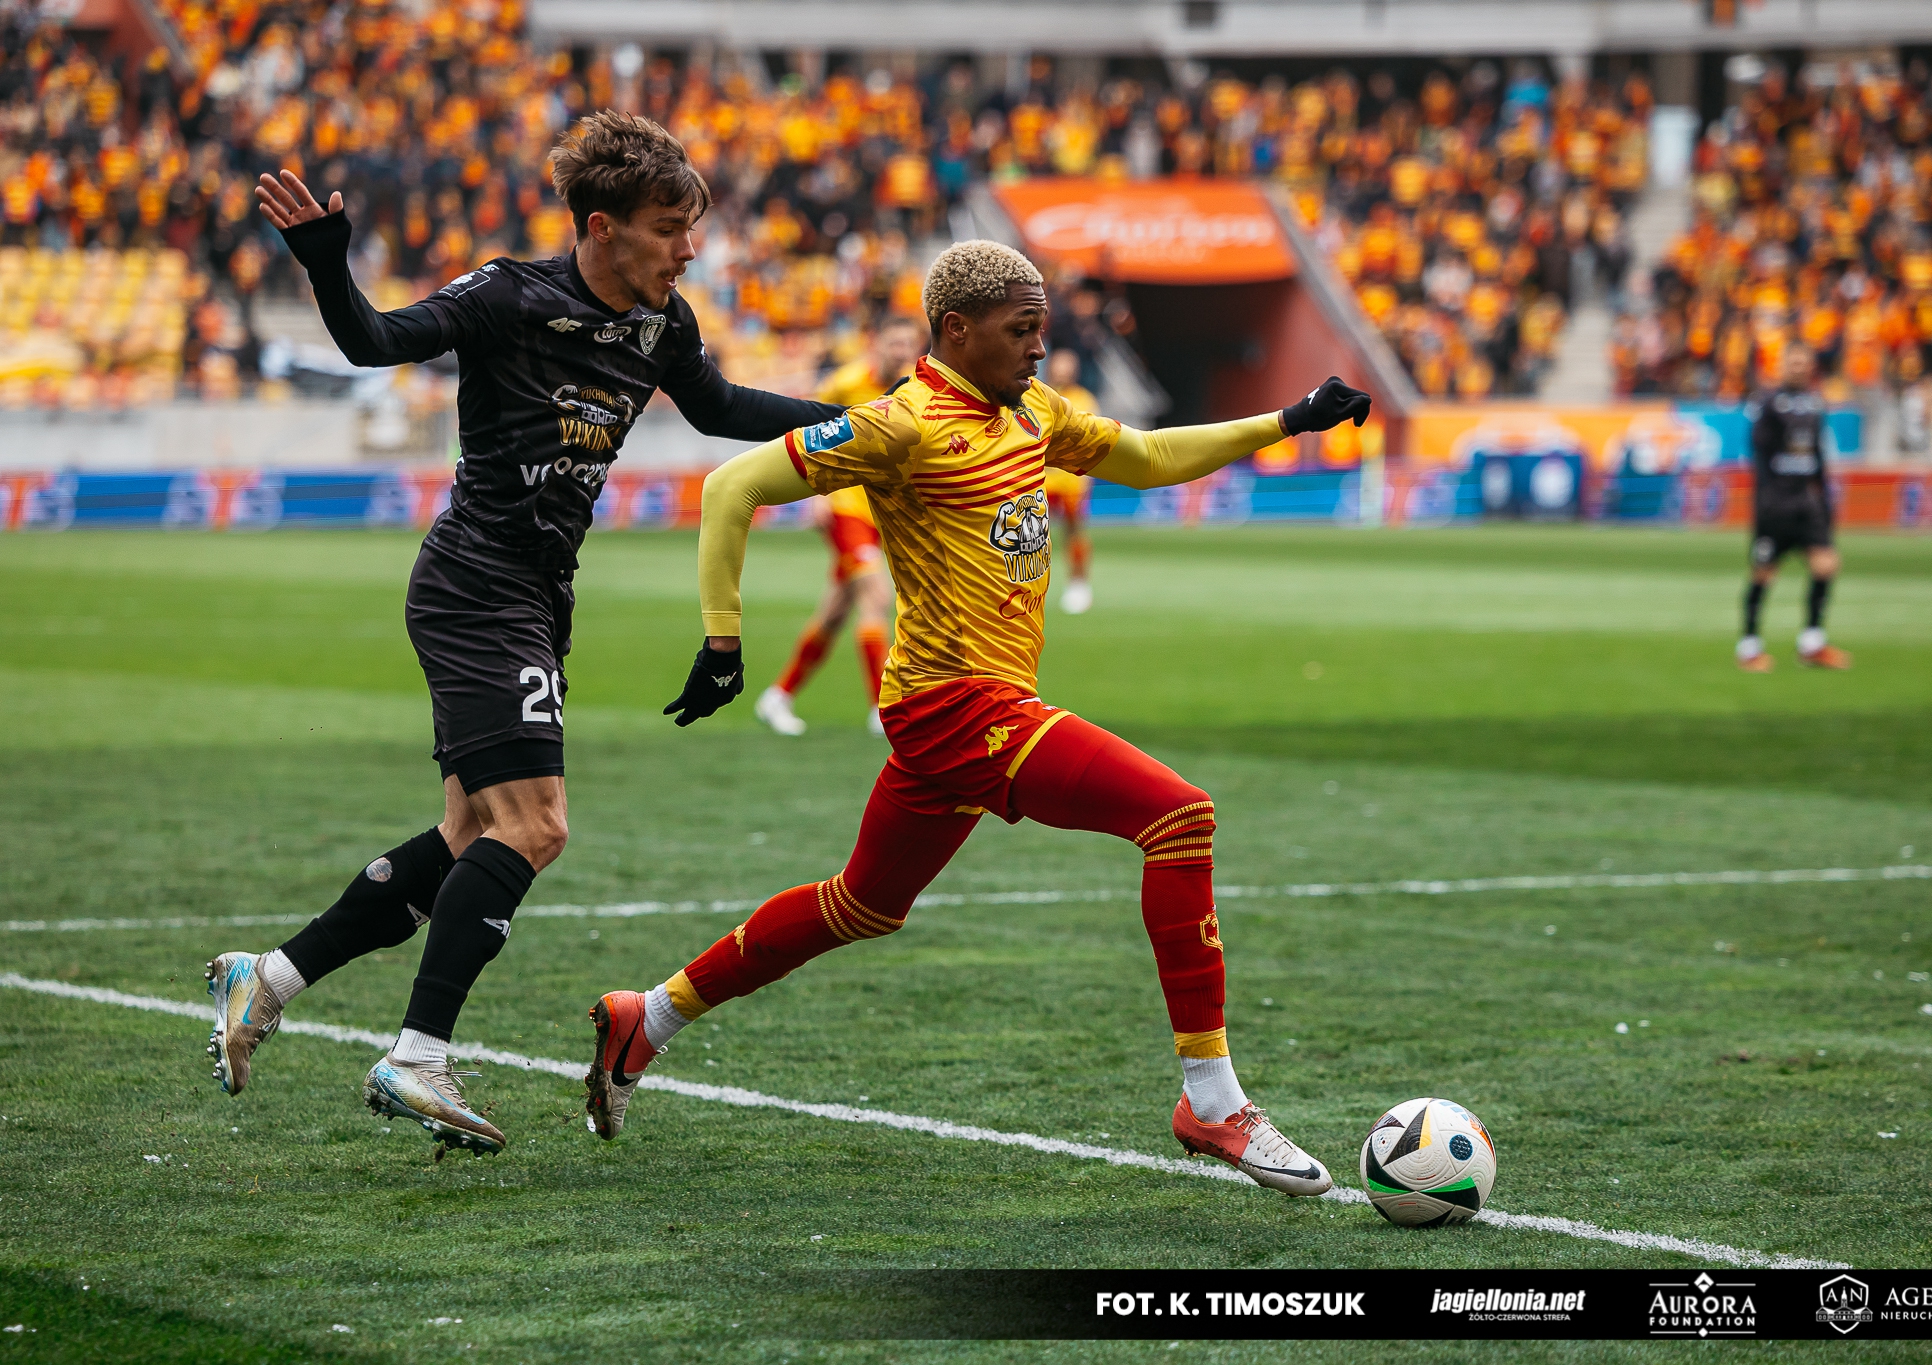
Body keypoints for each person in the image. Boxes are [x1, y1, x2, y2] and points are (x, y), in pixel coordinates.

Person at [580, 241, 1373, 1197]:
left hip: (951, 710)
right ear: (957, 330)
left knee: (861, 905)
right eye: (1022, 330)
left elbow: (1148, 457)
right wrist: (722, 640)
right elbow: (730, 487)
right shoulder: (901, 426)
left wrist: (1288, 419)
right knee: (1180, 817)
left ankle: (649, 1015)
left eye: (1042, 328)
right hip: (961, 703)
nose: (1040, 347)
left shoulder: (1032, 410)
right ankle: (1212, 1100)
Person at [201, 112, 842, 1154]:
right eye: (669, 228)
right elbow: (374, 341)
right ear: (601, 227)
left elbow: (720, 406)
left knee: (471, 835)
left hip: (539, 593)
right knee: (537, 826)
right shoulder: (507, 295)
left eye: (691, 228)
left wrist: (862, 422)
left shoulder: (661, 324)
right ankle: (417, 1056)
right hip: (476, 584)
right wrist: (325, 262)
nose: (689, 249)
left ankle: (267, 978)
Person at [754, 315, 925, 737]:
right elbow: (807, 427)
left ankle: (778, 695)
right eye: (895, 343)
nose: (901, 352)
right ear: (877, 342)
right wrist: (817, 493)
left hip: (882, 513)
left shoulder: (914, 390)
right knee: (876, 595)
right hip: (846, 508)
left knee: (835, 611)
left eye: (908, 344)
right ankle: (881, 709)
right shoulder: (846, 384)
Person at [1738, 345, 1850, 672]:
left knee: (1826, 564)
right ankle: (1749, 646)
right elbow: (1759, 455)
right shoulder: (1768, 403)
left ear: (1811, 367)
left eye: (1804, 363)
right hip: (1776, 503)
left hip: (1806, 501)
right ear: (1783, 365)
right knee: (1763, 573)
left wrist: (1824, 500)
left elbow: (1818, 455)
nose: (1799, 367)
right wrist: (1764, 501)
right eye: (1793, 362)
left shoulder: (1815, 403)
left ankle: (1812, 643)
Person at [1042, 348, 1098, 614]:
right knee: (1031, 534)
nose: (1062, 371)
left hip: (1071, 479)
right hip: (1041, 478)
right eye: (1058, 365)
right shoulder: (1038, 394)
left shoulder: (1083, 399)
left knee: (1074, 531)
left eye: (1067, 366)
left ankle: (1078, 584)